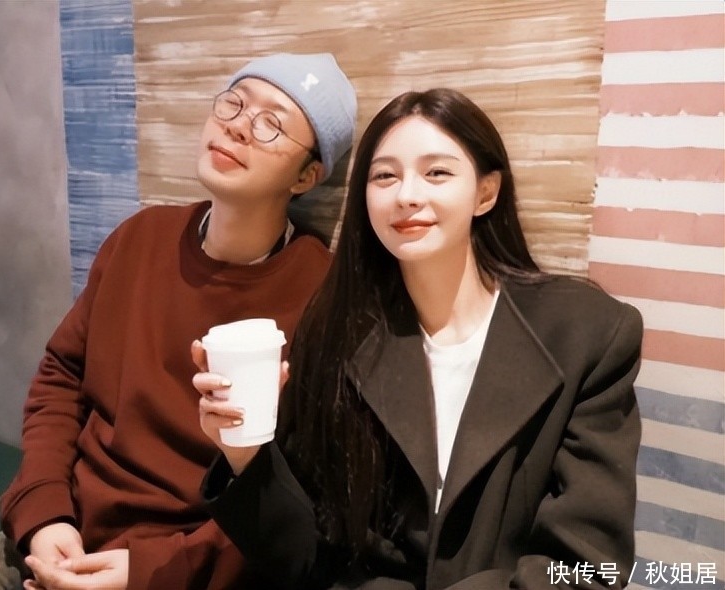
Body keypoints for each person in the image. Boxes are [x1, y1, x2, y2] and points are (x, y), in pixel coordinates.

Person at [196, 88, 643, 589]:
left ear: (486, 193)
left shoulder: (588, 333)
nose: (407, 195)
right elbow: (306, 558)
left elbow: (588, 565)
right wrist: (244, 454)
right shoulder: (337, 331)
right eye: (384, 176)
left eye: (437, 173)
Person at [0, 52, 357, 590]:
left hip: (184, 569)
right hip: (66, 531)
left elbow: (295, 500)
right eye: (234, 104)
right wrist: (45, 514)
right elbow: (61, 377)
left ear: (307, 176)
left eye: (271, 124)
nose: (238, 126)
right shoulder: (140, 238)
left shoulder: (322, 296)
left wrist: (148, 570)